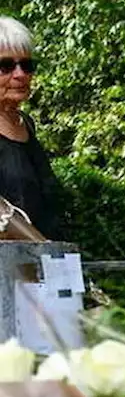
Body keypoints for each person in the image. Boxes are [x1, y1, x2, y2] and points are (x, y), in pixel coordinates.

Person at [0, 16, 60, 239]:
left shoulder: (27, 124)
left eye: (26, 65)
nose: (20, 74)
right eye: (5, 66)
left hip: (44, 264)